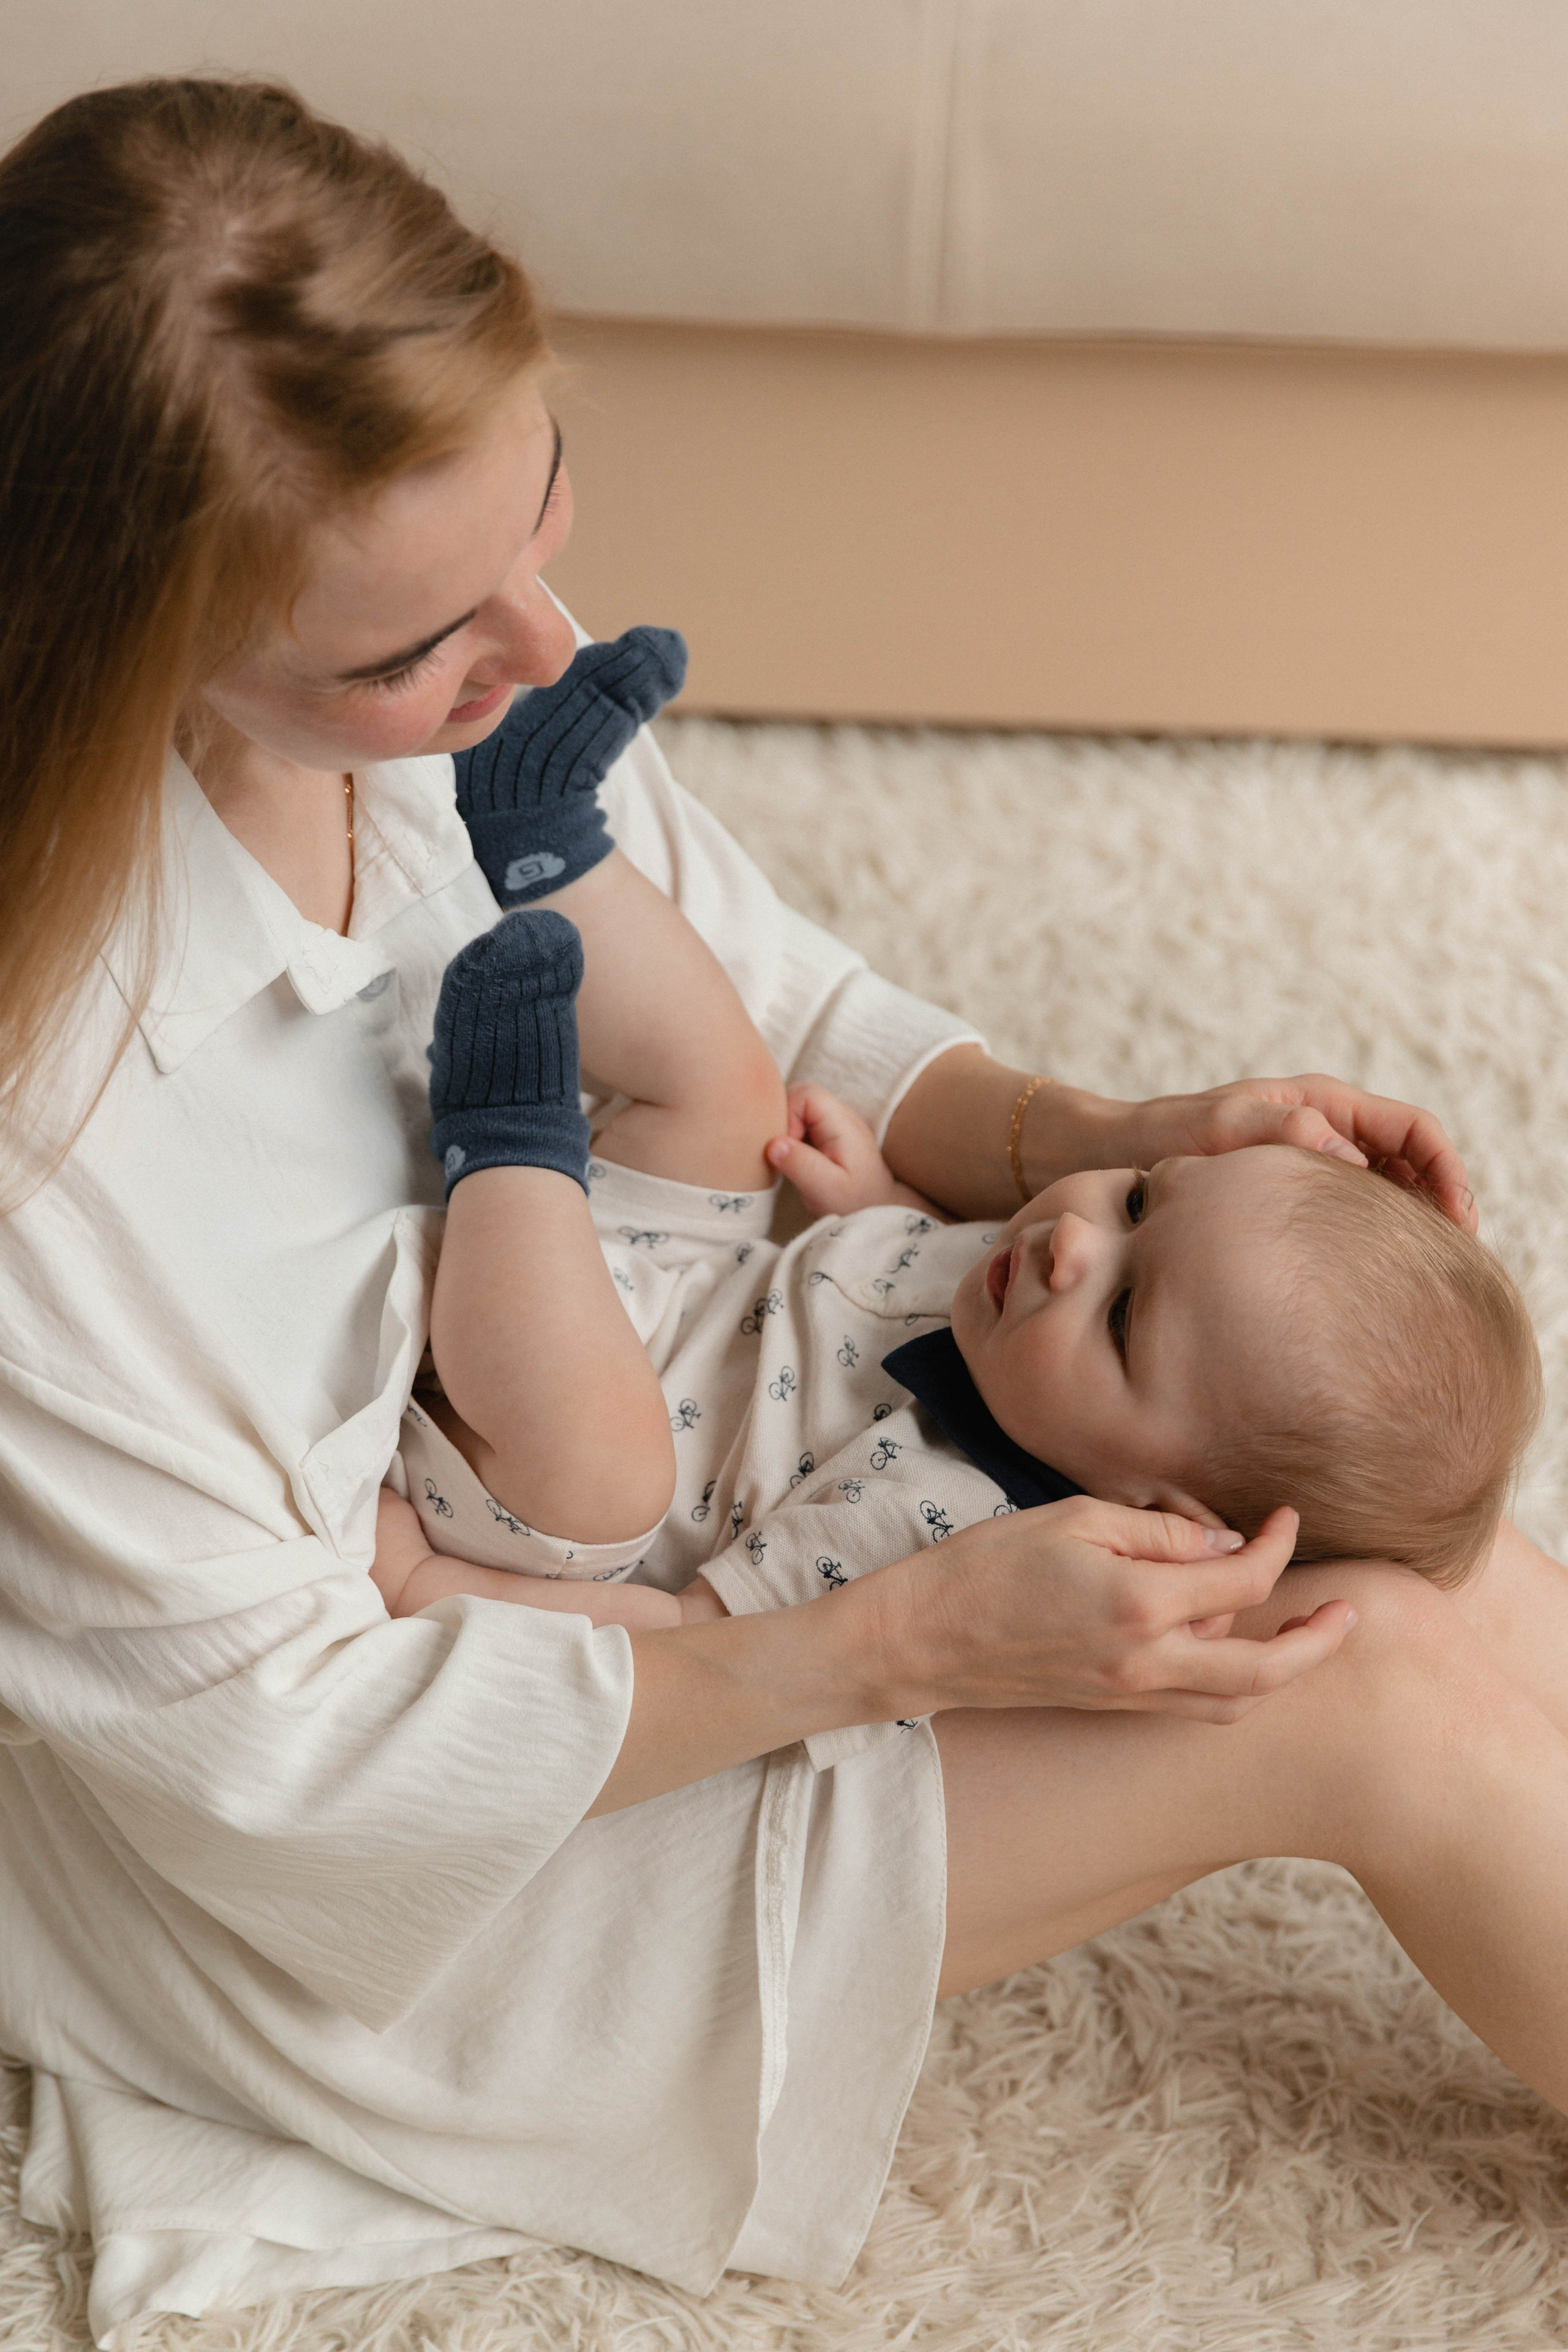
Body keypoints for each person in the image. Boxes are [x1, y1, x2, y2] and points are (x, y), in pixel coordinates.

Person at [3, 77, 1567, 2347]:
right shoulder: (55, 1156)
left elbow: (784, 1005)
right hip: (396, 1862)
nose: (545, 649)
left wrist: (1129, 1140)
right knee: (1376, 1688)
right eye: (413, 646)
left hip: (672, 1449)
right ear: (132, 650)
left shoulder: (458, 673)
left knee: (1388, 1497)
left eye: (543, 506)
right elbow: (295, 1788)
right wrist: (905, 1647)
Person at [377, 641, 1540, 1663]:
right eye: (1142, 1199)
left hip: (547, 1468)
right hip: (681, 1283)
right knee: (736, 1086)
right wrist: (872, 1204)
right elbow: (913, 1274)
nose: (1075, 1243)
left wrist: (432, 1589)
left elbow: (693, 1641)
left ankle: (508, 1127)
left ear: (1164, 1511)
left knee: (609, 1462)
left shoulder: (955, 1525)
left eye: (1127, 1317)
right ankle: (540, 844)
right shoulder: (1024, 1308)